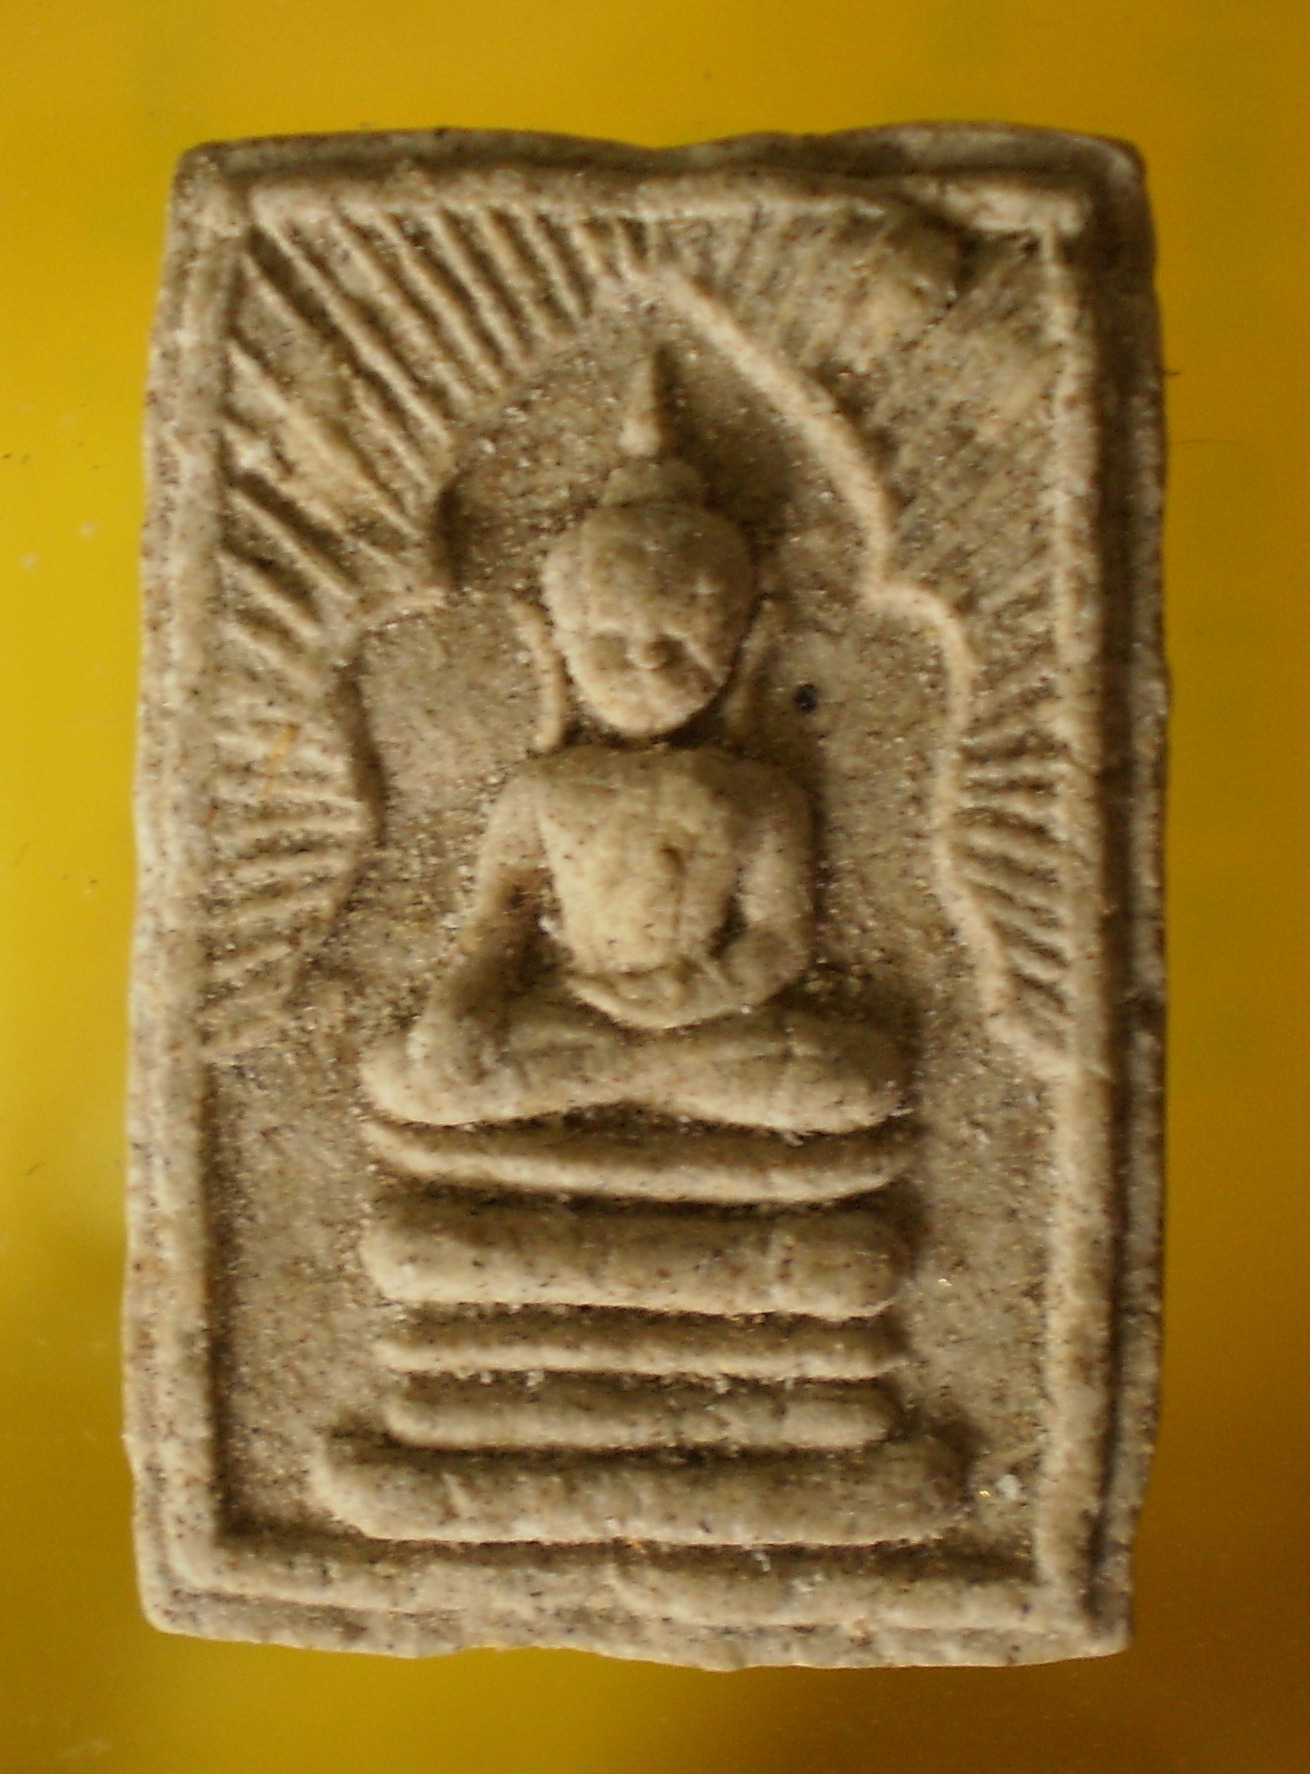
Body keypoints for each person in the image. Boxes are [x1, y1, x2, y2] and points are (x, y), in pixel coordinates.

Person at [361, 362, 903, 1135]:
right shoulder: (543, 790)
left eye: (679, 643)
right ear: (565, 642)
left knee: (863, 1077)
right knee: (399, 1072)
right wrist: (456, 1011)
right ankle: (644, 1078)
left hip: (710, 1030)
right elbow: (497, 924)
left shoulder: (759, 794)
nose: (647, 663)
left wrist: (701, 993)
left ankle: (629, 1077)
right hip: (574, 1018)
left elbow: (779, 939)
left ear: (734, 641)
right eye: (613, 642)